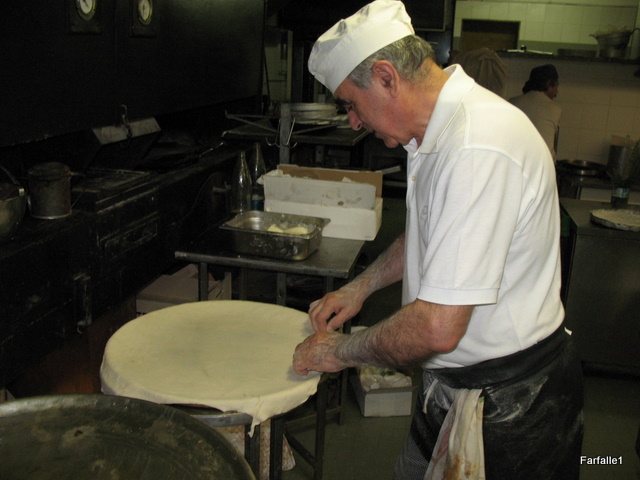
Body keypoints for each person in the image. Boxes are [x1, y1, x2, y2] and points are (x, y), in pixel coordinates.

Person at [292, 1, 583, 479]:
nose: (353, 121)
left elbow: (436, 328)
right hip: (450, 388)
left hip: (510, 404)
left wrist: (338, 351)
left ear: (386, 77)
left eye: (350, 104)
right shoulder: (430, 134)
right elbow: (429, 233)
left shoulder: (477, 144)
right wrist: (360, 288)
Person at [509, 64, 562, 160]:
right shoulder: (555, 109)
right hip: (543, 164)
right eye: (556, 86)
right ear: (548, 84)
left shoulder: (512, 103)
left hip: (514, 161)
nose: (556, 92)